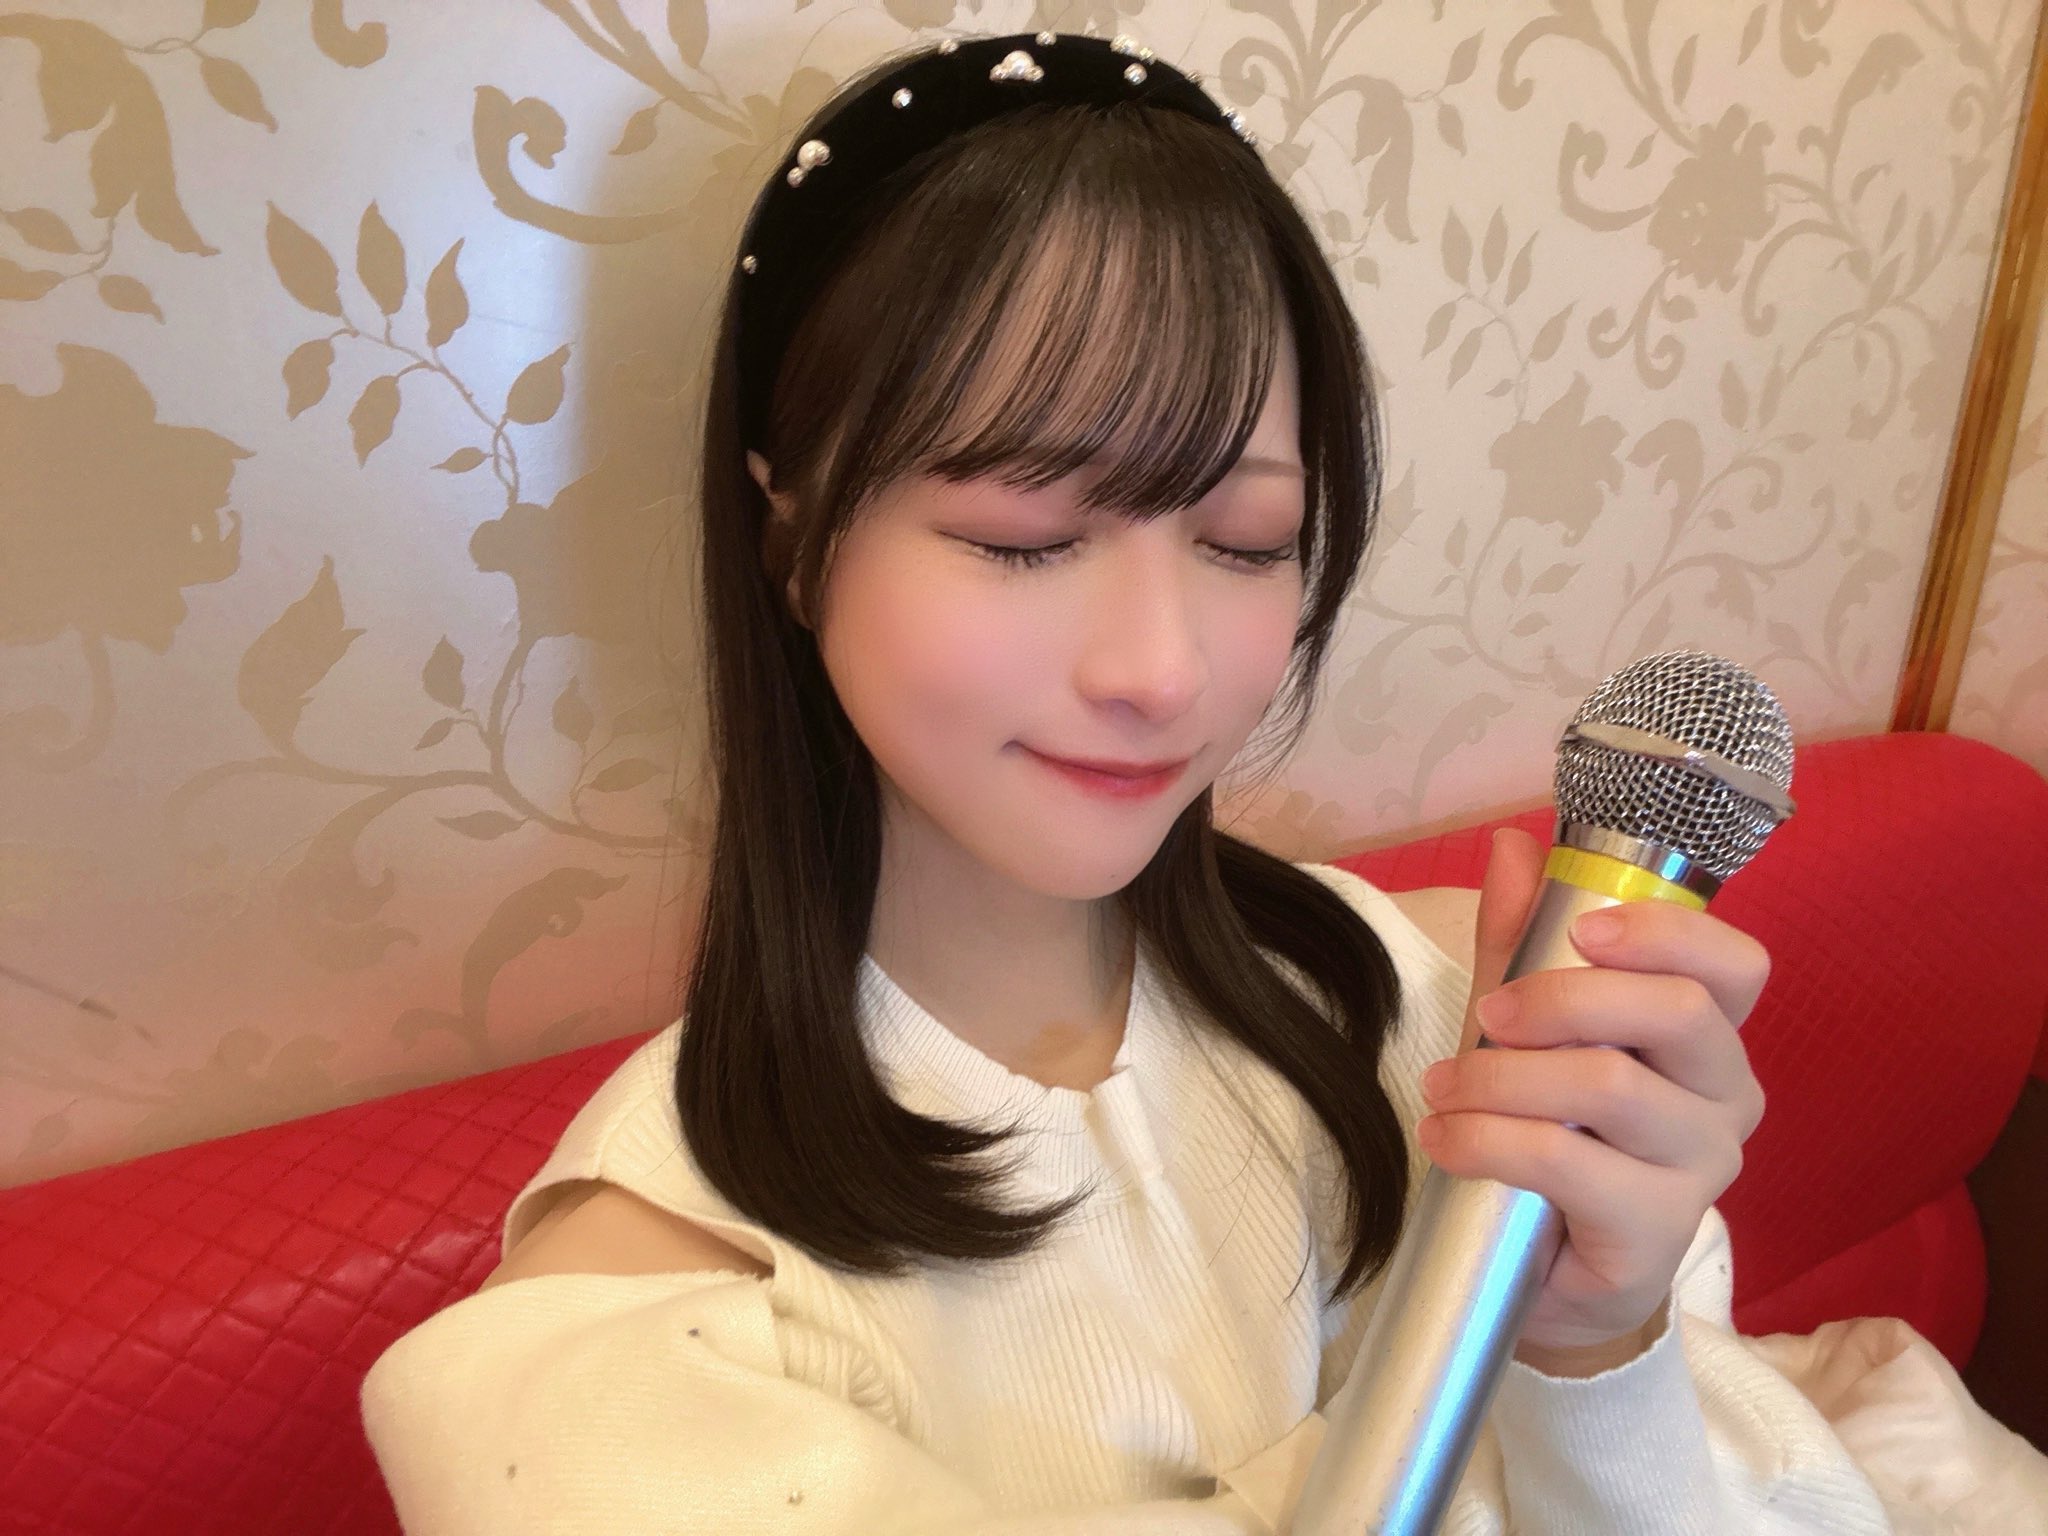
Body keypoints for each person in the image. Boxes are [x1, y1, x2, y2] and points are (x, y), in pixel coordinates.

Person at [359, 30, 2041, 1534]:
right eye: (1026, 534)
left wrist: (1599, 1350)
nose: (1163, 669)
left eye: (1244, 539)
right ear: (791, 537)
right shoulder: (649, 1329)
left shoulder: (1435, 1007)